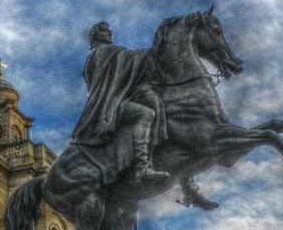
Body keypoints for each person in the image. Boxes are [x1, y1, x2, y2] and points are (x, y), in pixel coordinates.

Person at [72, 22, 217, 208]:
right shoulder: (104, 53)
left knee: (157, 104)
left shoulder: (98, 57)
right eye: (106, 31)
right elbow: (134, 60)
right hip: (109, 109)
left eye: (109, 30)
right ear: (97, 35)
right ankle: (142, 167)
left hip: (112, 104)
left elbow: (121, 77)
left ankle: (185, 182)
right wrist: (164, 48)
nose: (110, 32)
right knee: (145, 114)